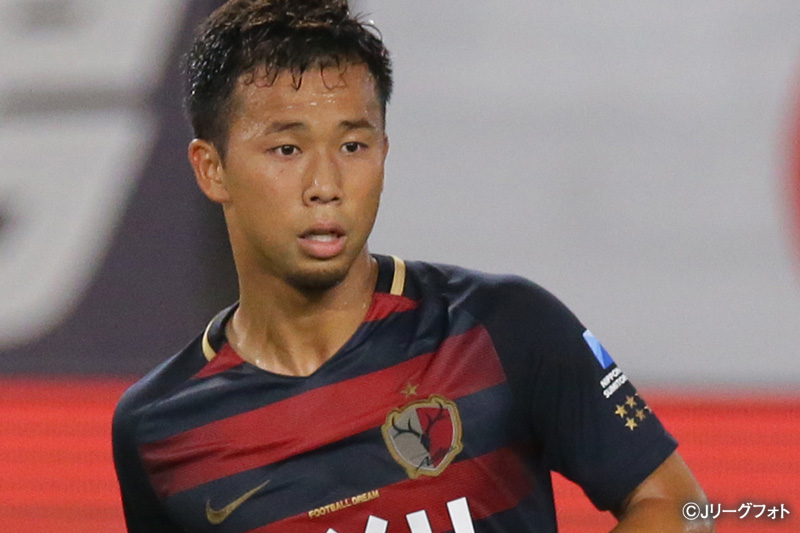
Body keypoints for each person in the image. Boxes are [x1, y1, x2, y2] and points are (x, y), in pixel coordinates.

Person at [112, 1, 714, 531]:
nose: (326, 185)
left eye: (353, 145)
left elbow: (678, 505)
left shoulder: (503, 326)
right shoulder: (158, 429)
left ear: (384, 150)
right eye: (287, 149)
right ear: (212, 168)